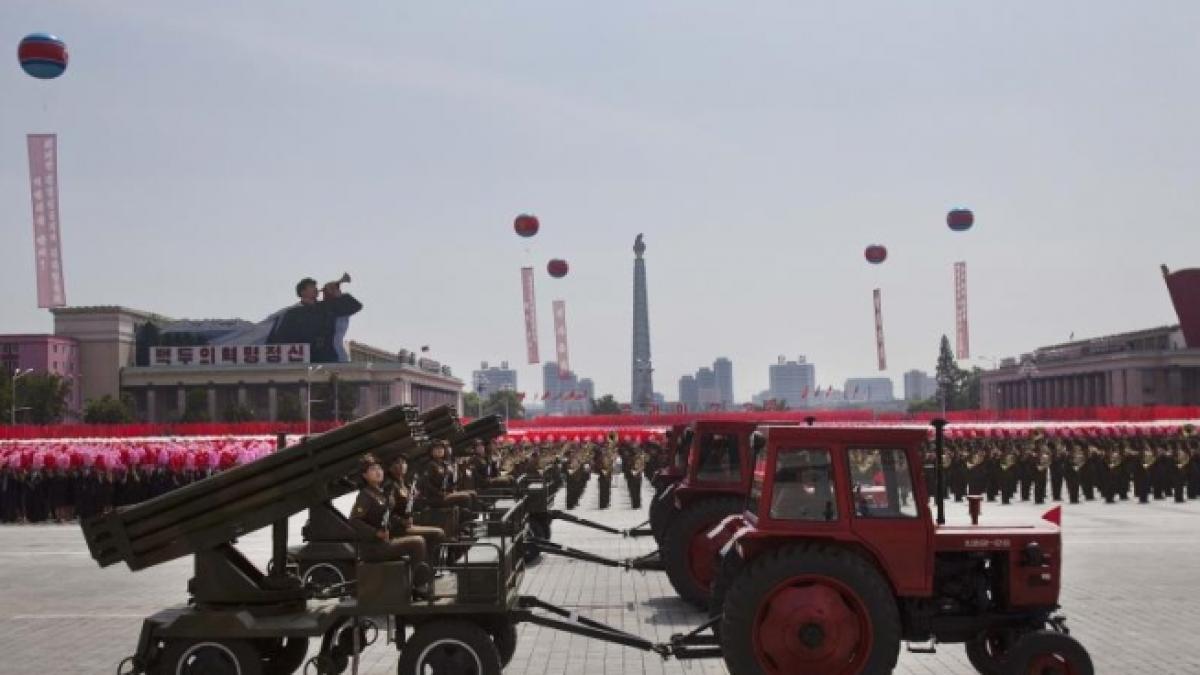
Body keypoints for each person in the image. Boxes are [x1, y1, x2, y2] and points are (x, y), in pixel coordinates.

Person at [348, 455, 432, 589]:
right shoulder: (365, 495)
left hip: (384, 541)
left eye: (379, 468)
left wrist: (403, 519)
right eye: (373, 469)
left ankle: (419, 581)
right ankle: (419, 586)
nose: (378, 472)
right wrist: (376, 533)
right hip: (374, 548)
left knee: (420, 540)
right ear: (364, 475)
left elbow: (388, 516)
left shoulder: (379, 493)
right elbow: (354, 520)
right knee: (418, 542)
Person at [267, 276, 362, 363]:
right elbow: (281, 339)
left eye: (315, 286)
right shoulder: (292, 313)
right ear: (302, 292)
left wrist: (337, 293)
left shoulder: (326, 306)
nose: (316, 289)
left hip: (328, 359)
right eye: (311, 286)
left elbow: (355, 306)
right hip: (303, 361)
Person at [385, 457, 445, 558]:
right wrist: (401, 521)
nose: (401, 465)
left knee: (439, 532)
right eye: (397, 463)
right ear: (390, 468)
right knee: (438, 533)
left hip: (408, 524)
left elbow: (410, 506)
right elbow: (386, 512)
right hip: (398, 528)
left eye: (403, 463)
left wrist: (415, 498)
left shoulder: (404, 484)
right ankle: (425, 566)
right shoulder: (390, 486)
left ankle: (428, 563)